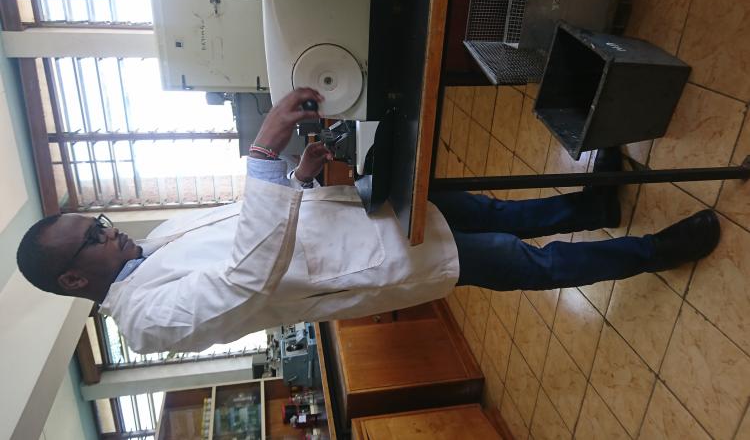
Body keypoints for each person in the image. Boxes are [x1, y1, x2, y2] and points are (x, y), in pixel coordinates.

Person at [16, 88, 721, 353]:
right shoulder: (145, 322)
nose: (111, 228)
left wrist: (296, 177)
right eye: (95, 234)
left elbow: (251, 227)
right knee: (529, 262)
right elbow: (247, 279)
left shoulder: (158, 242)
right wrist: (263, 151)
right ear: (77, 273)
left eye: (100, 218)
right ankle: (656, 250)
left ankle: (593, 204)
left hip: (357, 212)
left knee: (491, 210)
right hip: (376, 263)